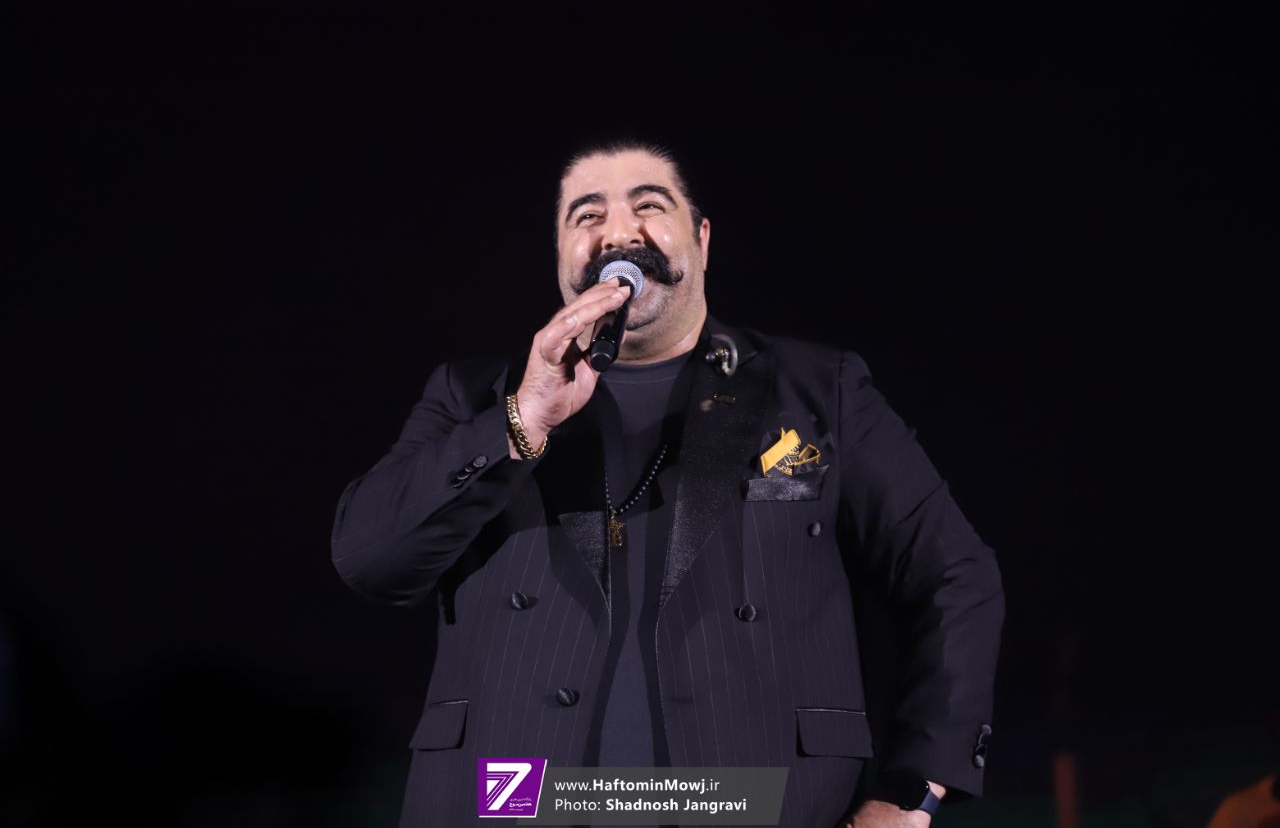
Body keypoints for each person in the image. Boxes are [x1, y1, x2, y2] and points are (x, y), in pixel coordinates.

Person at [330, 140, 1005, 827]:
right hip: (513, 804)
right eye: (587, 215)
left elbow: (954, 574)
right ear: (560, 252)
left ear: (702, 240)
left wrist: (913, 793)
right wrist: (521, 420)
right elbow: (370, 560)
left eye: (648, 206)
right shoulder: (474, 396)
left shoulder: (819, 392)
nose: (618, 234)